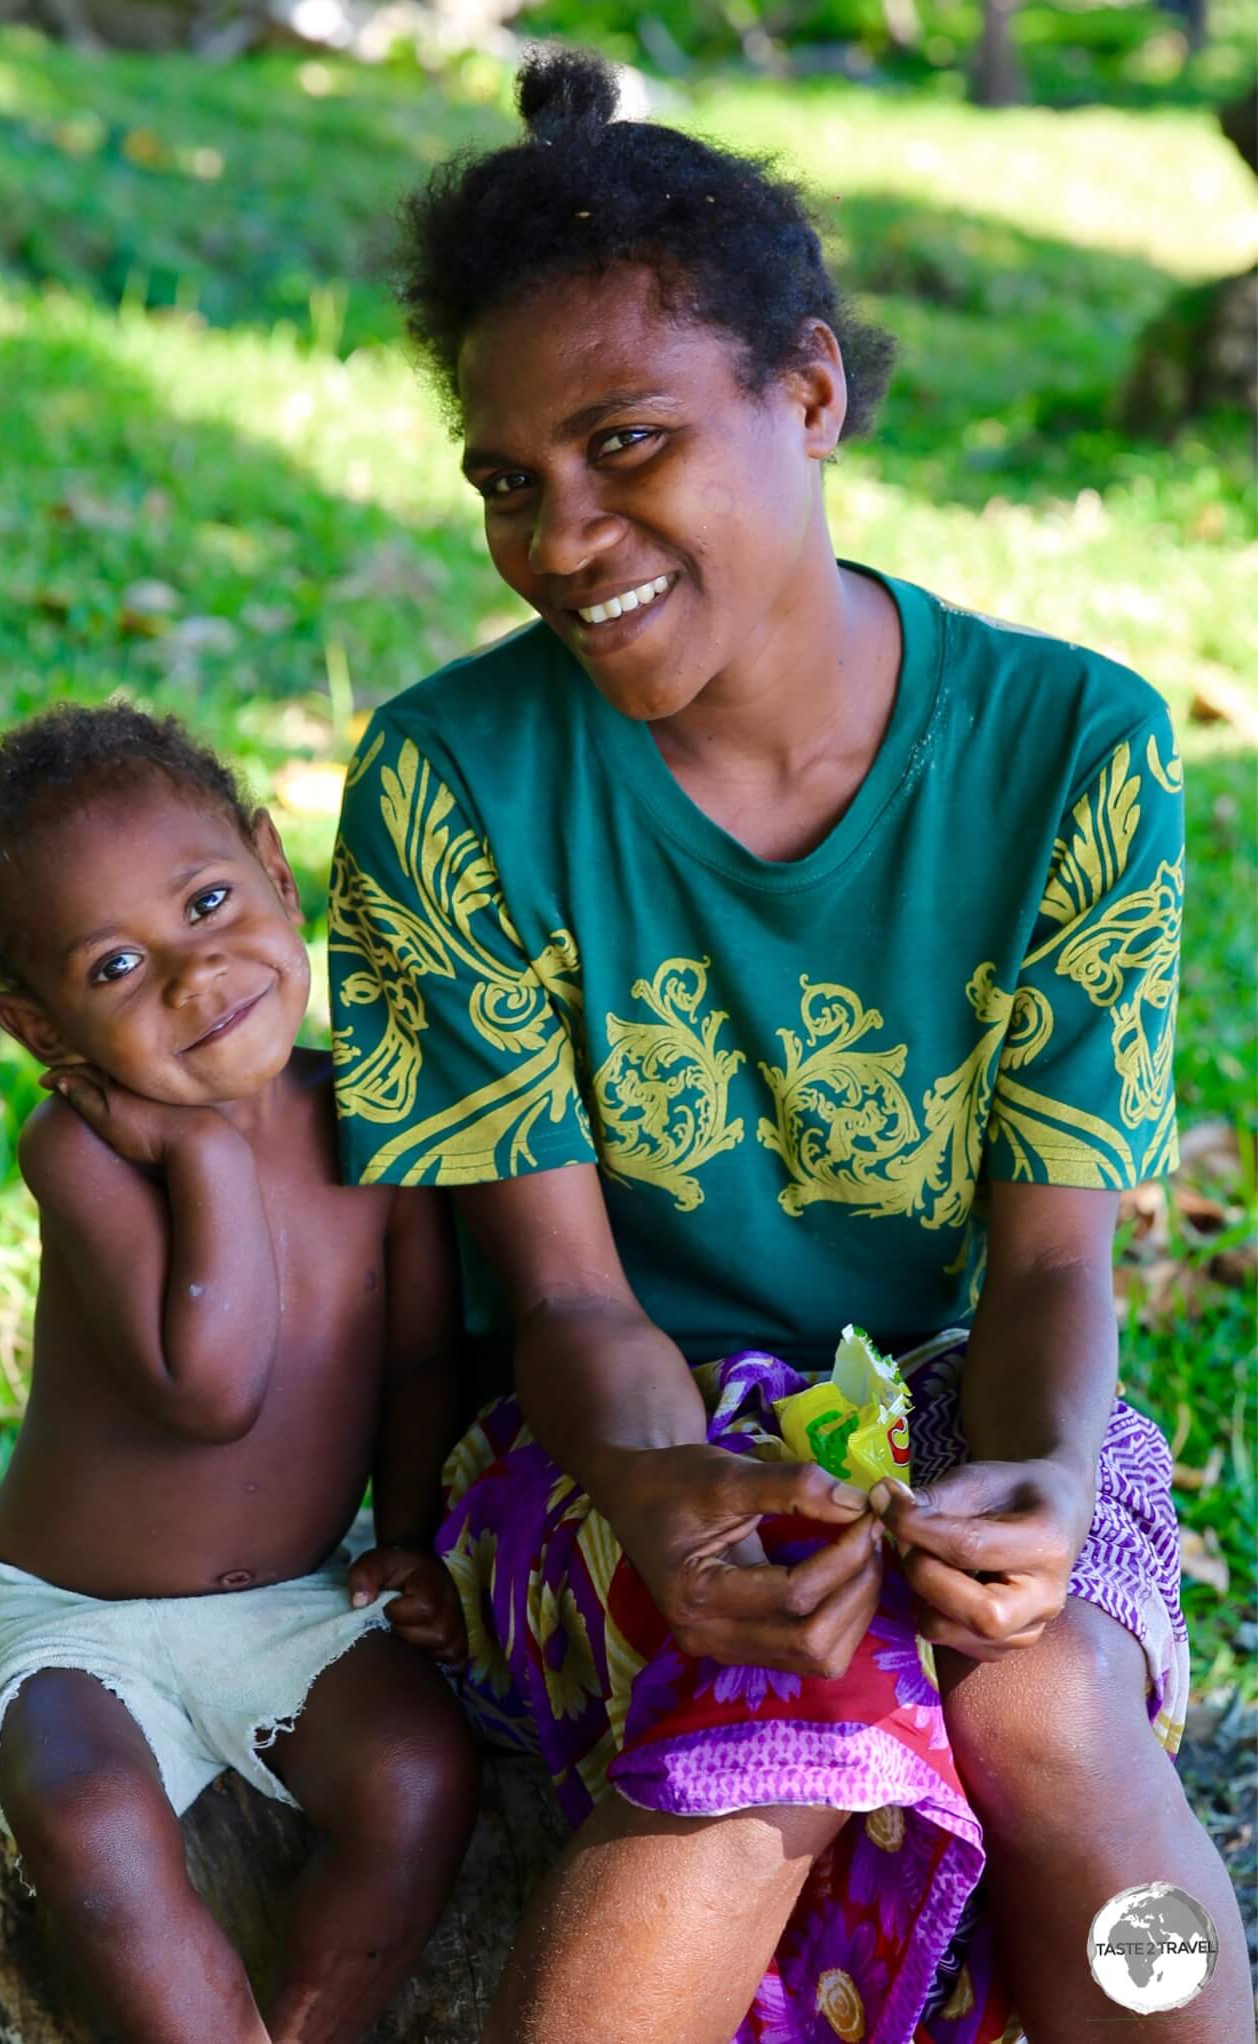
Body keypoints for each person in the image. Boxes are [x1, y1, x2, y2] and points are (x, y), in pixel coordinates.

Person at [332, 46, 1247, 2044]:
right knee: (781, 1715)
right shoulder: (450, 785)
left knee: (1043, 1700)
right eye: (507, 478)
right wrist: (666, 1489)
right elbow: (563, 1295)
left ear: (809, 394)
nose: (559, 535)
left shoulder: (1067, 749)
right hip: (602, 1429)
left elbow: (1046, 1258)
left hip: (964, 1386)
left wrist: (1015, 1473)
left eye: (627, 443)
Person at [0, 703, 479, 2044]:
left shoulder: (374, 1121)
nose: (194, 972)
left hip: (292, 1609)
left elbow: (417, 1358)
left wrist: (407, 1536)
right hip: (77, 1622)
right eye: (113, 964)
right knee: (91, 1823)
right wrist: (213, 1156)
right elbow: (212, 1388)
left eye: (209, 899)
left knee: (416, 1781)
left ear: (275, 869)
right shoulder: (84, 1157)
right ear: (39, 1025)